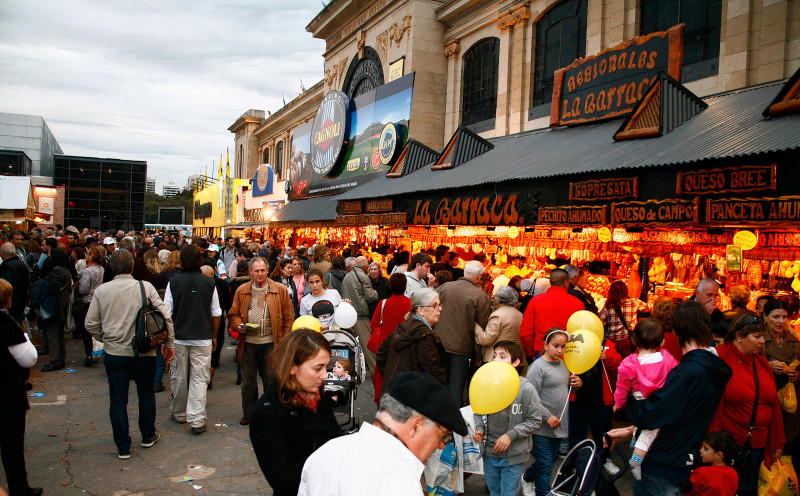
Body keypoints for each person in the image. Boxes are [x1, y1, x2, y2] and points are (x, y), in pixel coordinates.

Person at [606, 300, 733, 496]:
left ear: (675, 331)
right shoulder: (709, 368)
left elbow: (651, 415)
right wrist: (632, 430)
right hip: (682, 456)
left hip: (664, 461)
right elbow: (675, 413)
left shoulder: (686, 372)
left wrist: (632, 396)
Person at [298, 371, 468, 495]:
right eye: (442, 434)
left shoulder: (326, 452)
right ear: (415, 426)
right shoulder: (398, 481)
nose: (441, 445)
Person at [85, 249, 175, 459]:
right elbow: (165, 316)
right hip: (144, 352)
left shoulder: (102, 291)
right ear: (132, 267)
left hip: (115, 353)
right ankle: (147, 435)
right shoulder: (146, 287)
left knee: (117, 399)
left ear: (111, 267)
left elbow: (90, 323)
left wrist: (106, 337)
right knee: (145, 394)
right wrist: (168, 343)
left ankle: (123, 446)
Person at [249, 328, 340, 496]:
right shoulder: (267, 414)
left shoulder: (315, 396)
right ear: (292, 367)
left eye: (326, 367)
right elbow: (283, 479)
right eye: (318, 368)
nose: (324, 375)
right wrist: (331, 462)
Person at [708, 312, 784, 495]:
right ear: (740, 336)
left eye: (762, 337)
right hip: (727, 448)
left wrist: (778, 441)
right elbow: (711, 405)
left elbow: (773, 404)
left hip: (758, 447)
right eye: (757, 337)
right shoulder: (719, 358)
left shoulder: (762, 364)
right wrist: (712, 444)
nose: (762, 341)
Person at [228, 257, 295, 425]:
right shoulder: (242, 290)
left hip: (272, 343)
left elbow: (288, 318)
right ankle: (250, 414)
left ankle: (271, 413)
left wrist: (285, 342)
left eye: (263, 270)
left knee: (272, 381)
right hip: (248, 343)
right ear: (250, 272)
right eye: (256, 271)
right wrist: (238, 325)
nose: (260, 274)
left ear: (267, 271)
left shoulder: (279, 290)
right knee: (248, 382)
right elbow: (233, 314)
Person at [163, 245, 221, 434]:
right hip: (202, 336)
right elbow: (216, 313)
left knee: (179, 376)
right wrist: (214, 336)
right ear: (199, 261)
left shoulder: (174, 282)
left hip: (179, 336)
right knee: (199, 377)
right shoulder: (209, 283)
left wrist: (167, 339)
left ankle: (180, 412)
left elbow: (167, 313)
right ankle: (197, 419)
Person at [613, 319, 679, 480]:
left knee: (644, 427)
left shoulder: (628, 364)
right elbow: (677, 375)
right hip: (660, 403)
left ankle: (635, 452)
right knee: (651, 432)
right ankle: (636, 458)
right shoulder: (667, 359)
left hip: (639, 404)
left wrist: (618, 404)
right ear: (662, 341)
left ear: (634, 340)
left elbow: (621, 387)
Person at [473, 341, 541, 496]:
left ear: (516, 362)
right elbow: (478, 410)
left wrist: (510, 436)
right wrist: (480, 429)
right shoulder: (488, 385)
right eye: (495, 356)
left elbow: (535, 420)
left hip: (513, 457)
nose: (496, 359)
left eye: (503, 356)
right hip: (489, 454)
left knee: (508, 493)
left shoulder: (526, 388)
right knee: (494, 492)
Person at [521, 328, 581, 496]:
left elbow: (563, 391)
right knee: (546, 462)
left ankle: (527, 478)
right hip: (541, 425)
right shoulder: (537, 367)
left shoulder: (563, 364)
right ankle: (543, 492)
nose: (560, 350)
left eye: (563, 346)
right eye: (556, 346)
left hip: (558, 424)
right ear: (545, 345)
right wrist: (547, 416)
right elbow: (529, 397)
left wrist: (576, 385)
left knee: (547, 460)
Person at [0, 279, 42, 496]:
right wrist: (25, 336)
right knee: (11, 443)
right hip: (7, 392)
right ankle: (19, 488)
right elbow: (29, 358)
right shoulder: (7, 325)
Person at [435, 260, 492, 405]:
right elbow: (481, 327)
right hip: (462, 347)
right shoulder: (481, 297)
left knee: (439, 383)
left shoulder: (444, 288)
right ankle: (454, 422)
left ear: (465, 272)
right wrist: (478, 354)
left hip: (438, 342)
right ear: (479, 277)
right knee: (456, 388)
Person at [376, 288, 447, 396]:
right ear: (420, 310)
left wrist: (393, 378)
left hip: (397, 394)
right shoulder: (425, 336)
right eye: (434, 305)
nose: (439, 309)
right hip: (414, 399)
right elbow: (434, 373)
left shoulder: (404, 326)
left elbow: (381, 354)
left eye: (439, 305)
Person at [520, 268, 584, 360]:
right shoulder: (578, 304)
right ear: (566, 282)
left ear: (550, 282)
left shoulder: (535, 301)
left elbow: (525, 333)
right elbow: (580, 333)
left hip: (542, 352)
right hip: (567, 354)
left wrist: (531, 353)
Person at [368, 273, 411, 403]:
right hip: (405, 349)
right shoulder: (411, 304)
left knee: (383, 382)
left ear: (390, 286)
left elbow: (373, 325)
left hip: (385, 350)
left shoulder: (383, 303)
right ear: (405, 286)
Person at [340, 255, 379, 371]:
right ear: (366, 266)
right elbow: (370, 297)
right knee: (368, 346)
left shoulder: (347, 276)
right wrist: (375, 293)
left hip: (348, 314)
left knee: (351, 345)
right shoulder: (363, 277)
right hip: (361, 315)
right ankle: (376, 371)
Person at [40, 248, 73, 372]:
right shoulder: (65, 269)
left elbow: (53, 288)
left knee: (53, 333)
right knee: (58, 333)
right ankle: (60, 358)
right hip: (62, 304)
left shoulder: (57, 270)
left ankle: (55, 359)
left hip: (55, 305)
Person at [599, 280, 649, 358]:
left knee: (613, 363)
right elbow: (648, 307)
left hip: (611, 341)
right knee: (626, 364)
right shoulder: (634, 302)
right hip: (627, 340)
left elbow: (599, 322)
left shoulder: (608, 306)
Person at [475, 285, 523, 364]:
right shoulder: (519, 315)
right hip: (511, 358)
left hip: (495, 358)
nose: (493, 297)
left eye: (496, 296)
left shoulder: (498, 315)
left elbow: (485, 340)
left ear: (501, 299)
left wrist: (475, 325)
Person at [683, 431, 739, 496]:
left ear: (719, 455)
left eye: (706, 449)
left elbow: (685, 489)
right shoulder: (733, 473)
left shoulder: (703, 473)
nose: (701, 450)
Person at [76, 247, 105, 367]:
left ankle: (89, 355)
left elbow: (83, 289)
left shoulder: (88, 271)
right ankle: (96, 351)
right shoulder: (101, 269)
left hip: (87, 300)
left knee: (87, 329)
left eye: (88, 254)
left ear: (92, 256)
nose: (86, 256)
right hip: (98, 300)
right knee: (96, 327)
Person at [0, 242, 29, 324]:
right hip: (21, 302)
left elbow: (5, 286)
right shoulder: (21, 264)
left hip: (11, 304)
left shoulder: (7, 266)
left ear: (2, 252)